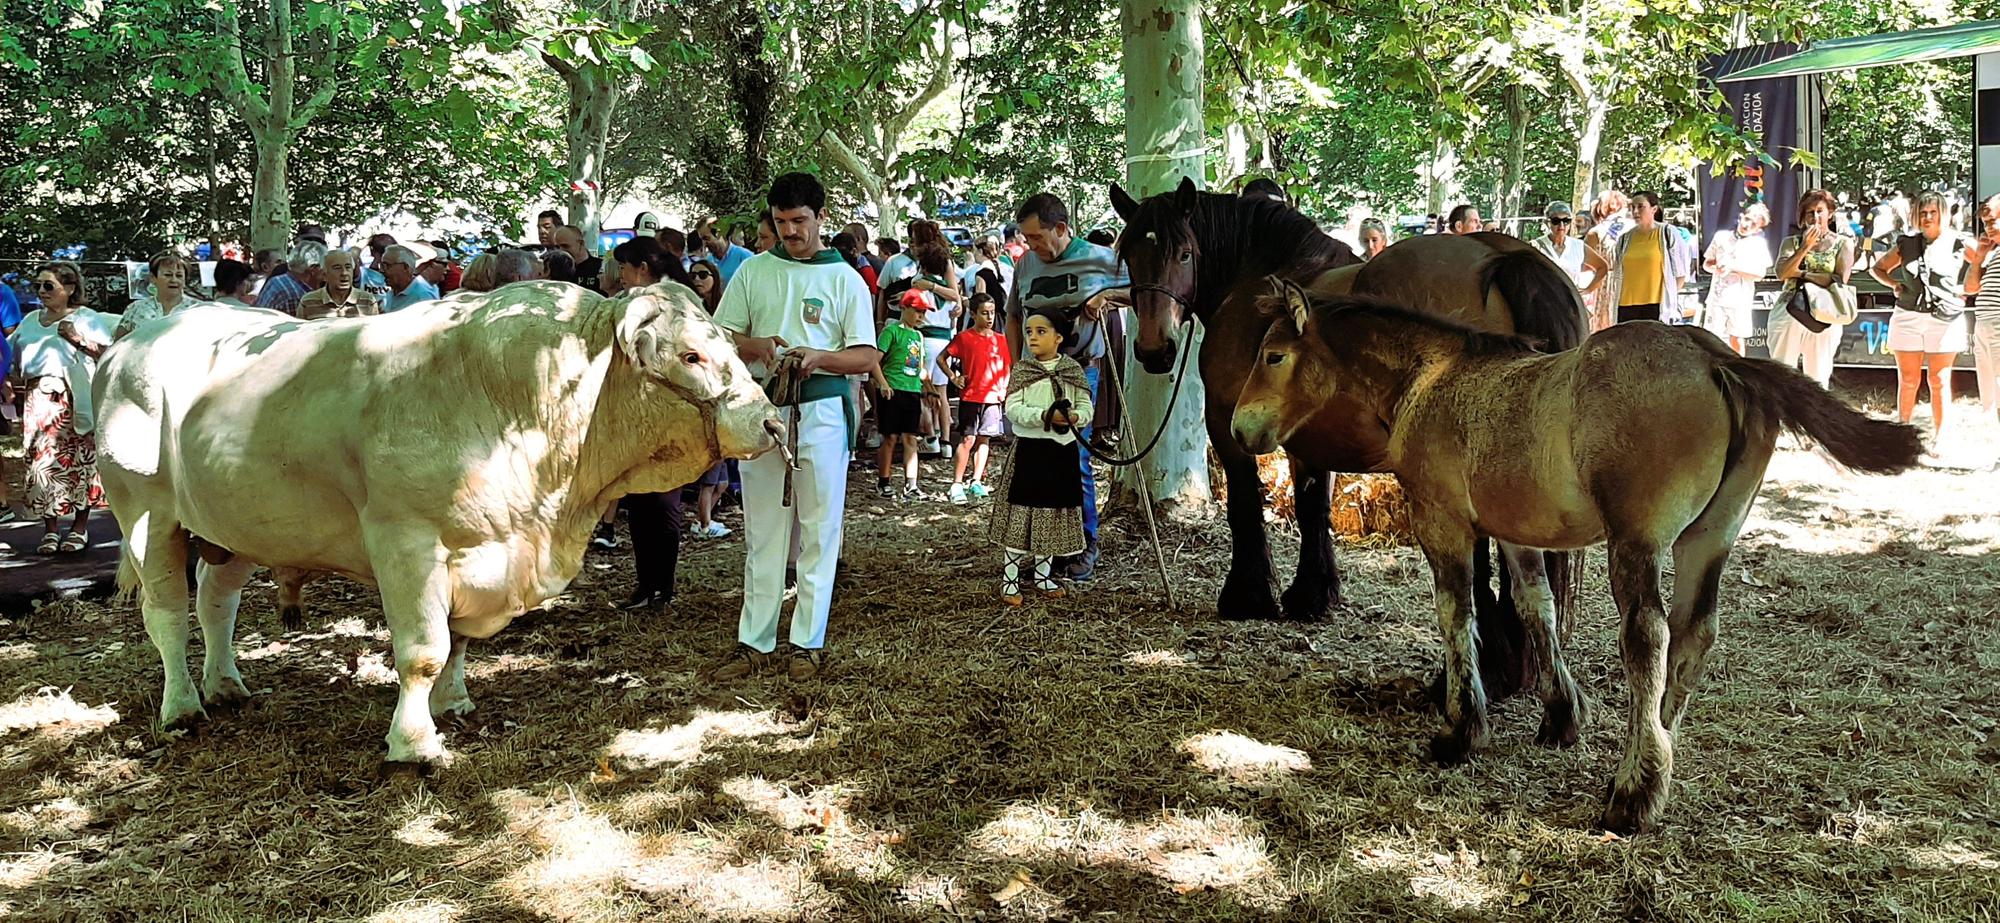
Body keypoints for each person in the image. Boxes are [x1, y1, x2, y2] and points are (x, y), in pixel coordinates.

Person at [711, 171, 878, 682]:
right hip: (763, 410)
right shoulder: (754, 272)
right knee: (763, 528)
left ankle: (808, 640)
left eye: (799, 221)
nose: (790, 232)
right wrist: (757, 347)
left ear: (821, 218)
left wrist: (820, 357)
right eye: (781, 222)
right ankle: (754, 640)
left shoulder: (844, 278)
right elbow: (720, 333)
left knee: (819, 529)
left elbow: (867, 354)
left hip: (822, 413)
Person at [1007, 192, 1126, 581]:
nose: (1031, 246)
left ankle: (1082, 543)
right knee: (1035, 459)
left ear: (1061, 229)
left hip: (1077, 372)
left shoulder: (1100, 258)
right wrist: (1015, 367)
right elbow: (1012, 315)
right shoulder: (1025, 265)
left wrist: (1107, 296)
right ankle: (1046, 547)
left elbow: (1145, 289)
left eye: (1037, 237)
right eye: (1026, 239)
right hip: (1034, 374)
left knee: (1073, 457)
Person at [988, 310, 1093, 605]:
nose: (1032, 337)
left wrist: (1075, 416)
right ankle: (1010, 579)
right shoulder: (1023, 370)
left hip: (1061, 454)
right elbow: (1013, 409)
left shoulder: (1072, 370)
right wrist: (1045, 416)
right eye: (1029, 331)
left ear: (1058, 338)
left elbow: (1086, 406)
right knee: (1023, 514)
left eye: (1040, 331)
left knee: (1052, 515)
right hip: (1030, 454)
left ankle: (1042, 575)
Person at [9, 262, 114, 554]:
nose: (41, 291)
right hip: (37, 403)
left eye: (48, 285)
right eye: (38, 285)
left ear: (68, 289)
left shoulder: (87, 318)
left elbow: (109, 353)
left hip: (74, 399)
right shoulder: (31, 320)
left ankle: (79, 528)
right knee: (41, 465)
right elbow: (11, 355)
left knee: (80, 463)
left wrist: (78, 340)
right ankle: (51, 530)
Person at [1872, 191, 1972, 442]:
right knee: (1908, 380)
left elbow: (1983, 260)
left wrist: (1967, 289)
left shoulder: (1957, 241)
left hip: (1944, 317)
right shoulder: (1907, 243)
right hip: (1908, 315)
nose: (1928, 217)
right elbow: (1878, 268)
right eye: (1923, 212)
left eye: (1933, 212)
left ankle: (1942, 436)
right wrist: (1894, 285)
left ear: (1943, 214)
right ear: (1917, 215)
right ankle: (1902, 433)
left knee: (1939, 380)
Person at [1767, 188, 1855, 389]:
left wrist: (1801, 274)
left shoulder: (1843, 243)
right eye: (1810, 212)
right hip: (1790, 309)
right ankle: (1782, 418)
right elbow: (1781, 273)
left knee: (1818, 378)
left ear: (1830, 213)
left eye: (1820, 211)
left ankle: (1815, 419)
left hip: (1825, 312)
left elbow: (1838, 280)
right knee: (1781, 373)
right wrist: (1804, 248)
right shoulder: (1791, 242)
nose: (1815, 217)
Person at [938, 294, 1011, 503]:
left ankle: (976, 480)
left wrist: (1004, 388)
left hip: (993, 397)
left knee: (984, 439)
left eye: (992, 312)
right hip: (971, 396)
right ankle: (956, 483)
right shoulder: (964, 338)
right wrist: (954, 378)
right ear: (973, 314)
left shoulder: (1001, 340)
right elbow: (942, 358)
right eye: (984, 313)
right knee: (967, 438)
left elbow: (1006, 366)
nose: (989, 317)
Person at [905, 220, 962, 456]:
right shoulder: (947, 294)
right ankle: (947, 442)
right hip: (944, 342)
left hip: (923, 340)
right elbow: (956, 299)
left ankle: (931, 437)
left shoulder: (919, 288)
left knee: (920, 389)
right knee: (942, 393)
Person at [1601, 192, 1691, 324]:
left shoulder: (1668, 233)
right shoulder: (1624, 239)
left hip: (1657, 306)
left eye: (1640, 206)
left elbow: (1680, 274)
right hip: (1626, 306)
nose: (1635, 211)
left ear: (1654, 209)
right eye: (1632, 207)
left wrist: (1670, 299)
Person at [872, 292, 930, 499]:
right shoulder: (891, 331)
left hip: (912, 391)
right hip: (893, 389)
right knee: (890, 437)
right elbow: (874, 361)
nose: (920, 316)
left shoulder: (919, 336)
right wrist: (883, 384)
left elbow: (920, 368)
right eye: (917, 311)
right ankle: (884, 481)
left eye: (923, 312)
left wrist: (929, 388)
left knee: (911, 438)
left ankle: (911, 484)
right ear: (904, 308)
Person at [1701, 203, 1773, 354]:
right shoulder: (1721, 237)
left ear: (1758, 229)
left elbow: (1759, 274)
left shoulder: (1758, 245)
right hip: (1717, 298)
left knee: (1737, 340)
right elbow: (1706, 264)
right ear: (1741, 216)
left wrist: (1733, 267)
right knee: (1712, 340)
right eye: (1747, 219)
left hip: (1740, 300)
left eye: (1753, 224)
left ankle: (1738, 373)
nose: (1747, 225)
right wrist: (1715, 267)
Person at [1963, 193, 2000, 439]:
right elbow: (1970, 288)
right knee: (1992, 395)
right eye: (1985, 223)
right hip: (1984, 326)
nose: (1987, 227)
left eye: (1992, 220)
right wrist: (1978, 259)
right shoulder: (1993, 253)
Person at [116, 251, 199, 339]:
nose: (174, 280)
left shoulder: (197, 309)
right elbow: (118, 345)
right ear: (153, 278)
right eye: (168, 275)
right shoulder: (136, 308)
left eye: (179, 276)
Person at [297, 248, 381, 319]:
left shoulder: (368, 301)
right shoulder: (308, 302)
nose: (344, 273)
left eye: (348, 267)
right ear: (325, 275)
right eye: (337, 268)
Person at [256, 238, 324, 315]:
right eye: (324, 267)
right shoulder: (296, 295)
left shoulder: (278, 280)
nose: (326, 273)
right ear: (313, 269)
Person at [381, 243, 441, 311]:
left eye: (387, 265)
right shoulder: (391, 292)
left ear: (405, 267)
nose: (382, 270)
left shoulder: (423, 297)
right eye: (382, 265)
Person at [696, 217, 756, 284]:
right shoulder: (708, 261)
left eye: (706, 238)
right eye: (701, 240)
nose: (704, 244)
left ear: (719, 234)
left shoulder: (745, 257)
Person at [551, 225, 603, 292]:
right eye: (557, 247)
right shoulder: (554, 270)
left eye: (565, 246)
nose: (561, 250)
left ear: (581, 243)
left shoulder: (601, 268)